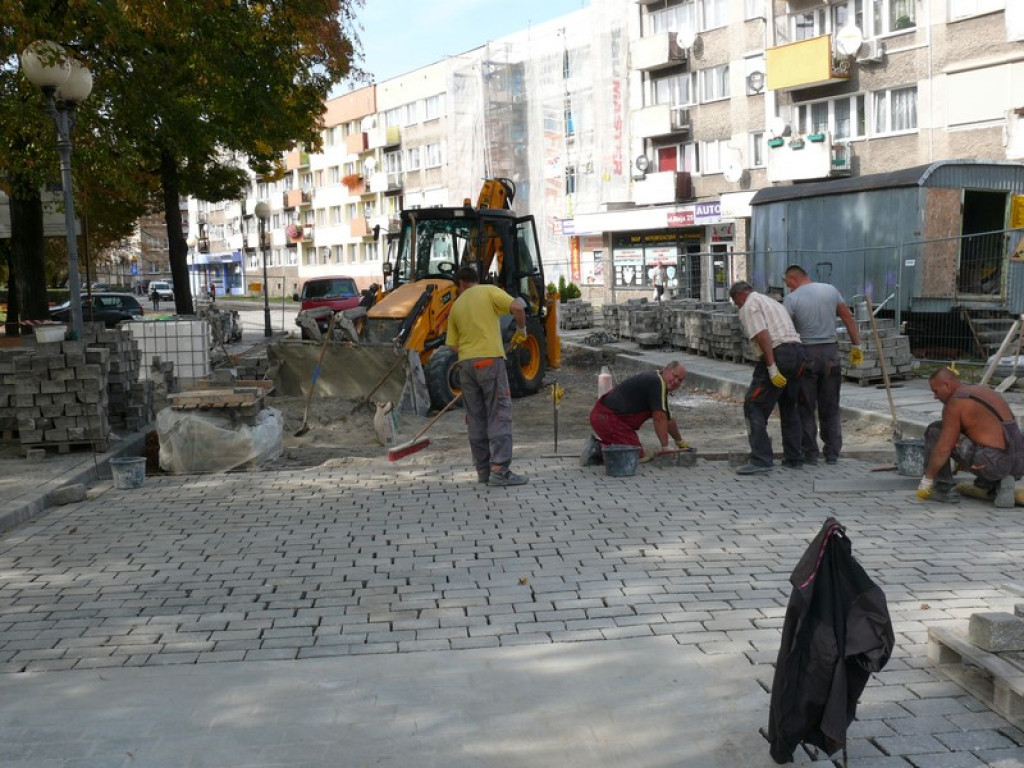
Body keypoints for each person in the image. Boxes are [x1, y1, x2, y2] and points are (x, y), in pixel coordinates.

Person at [445, 265, 529, 487]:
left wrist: (470, 348)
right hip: (490, 362)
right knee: (498, 413)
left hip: (465, 365)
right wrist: (521, 331)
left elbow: (453, 347)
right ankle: (500, 470)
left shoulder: (456, 306)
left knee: (476, 418)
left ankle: (483, 471)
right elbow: (518, 307)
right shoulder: (489, 291)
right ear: (473, 280)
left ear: (460, 284)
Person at [783, 264, 863, 466]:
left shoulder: (792, 299)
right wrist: (857, 346)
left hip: (806, 355)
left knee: (806, 406)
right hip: (830, 355)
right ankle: (832, 453)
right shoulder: (831, 290)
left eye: (787, 283)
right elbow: (847, 317)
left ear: (792, 279)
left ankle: (810, 453)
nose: (788, 287)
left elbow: (786, 329)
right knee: (830, 405)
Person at [917, 367, 1024, 507]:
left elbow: (943, 448)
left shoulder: (955, 403)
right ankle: (996, 482)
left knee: (935, 430)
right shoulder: (982, 391)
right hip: (1018, 462)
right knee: (976, 442)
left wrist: (927, 480)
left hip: (992, 462)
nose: (935, 397)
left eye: (936, 391)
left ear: (947, 385)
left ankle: (943, 489)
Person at [729, 281, 805, 474]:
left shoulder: (749, 305)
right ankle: (794, 457)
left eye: (736, 303)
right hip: (797, 354)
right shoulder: (772, 302)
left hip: (778, 354)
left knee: (753, 404)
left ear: (739, 296)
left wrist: (771, 367)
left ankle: (761, 459)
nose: (738, 307)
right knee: (789, 405)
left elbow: (763, 336)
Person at [582, 361, 689, 464]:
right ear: (666, 369)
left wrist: (680, 442)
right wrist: (665, 447)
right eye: (674, 376)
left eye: (680, 380)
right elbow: (659, 417)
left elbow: (668, 419)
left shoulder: (658, 381)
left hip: (607, 417)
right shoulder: (657, 383)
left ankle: (606, 446)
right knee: (635, 454)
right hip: (607, 418)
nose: (676, 381)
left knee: (635, 450)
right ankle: (597, 448)